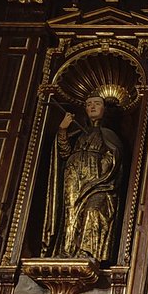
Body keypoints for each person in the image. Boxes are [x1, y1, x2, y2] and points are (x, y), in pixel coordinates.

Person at [42, 94, 124, 264]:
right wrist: (63, 130)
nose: (92, 107)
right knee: (70, 211)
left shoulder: (109, 134)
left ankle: (87, 252)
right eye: (88, 105)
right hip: (73, 175)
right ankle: (66, 252)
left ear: (105, 109)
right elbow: (64, 152)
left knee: (93, 210)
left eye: (97, 104)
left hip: (98, 181)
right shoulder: (78, 133)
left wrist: (103, 166)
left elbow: (115, 155)